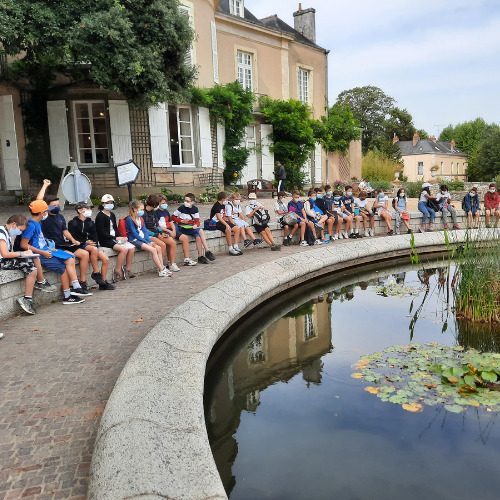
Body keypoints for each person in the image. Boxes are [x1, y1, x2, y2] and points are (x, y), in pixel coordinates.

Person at [20, 200, 91, 304]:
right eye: (46, 211)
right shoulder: (31, 225)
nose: (47, 213)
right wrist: (43, 252)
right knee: (63, 267)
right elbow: (24, 245)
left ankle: (75, 288)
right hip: (41, 254)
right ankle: (68, 295)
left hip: (47, 250)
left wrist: (54, 250)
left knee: (70, 257)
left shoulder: (37, 222)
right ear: (41, 213)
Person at [36, 180, 91, 291]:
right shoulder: (44, 215)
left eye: (58, 204)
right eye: (53, 205)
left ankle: (82, 281)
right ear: (46, 207)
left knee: (84, 254)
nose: (57, 207)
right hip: (52, 246)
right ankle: (70, 286)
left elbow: (65, 231)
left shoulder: (60, 216)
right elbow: (38, 201)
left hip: (62, 243)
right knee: (70, 256)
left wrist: (73, 240)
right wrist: (45, 185)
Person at [67, 203, 115, 290]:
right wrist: (85, 242)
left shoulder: (90, 222)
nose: (90, 210)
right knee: (93, 249)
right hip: (78, 246)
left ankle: (102, 282)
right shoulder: (73, 223)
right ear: (79, 211)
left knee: (105, 259)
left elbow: (95, 236)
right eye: (87, 208)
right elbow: (73, 238)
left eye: (90, 208)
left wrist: (94, 243)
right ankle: (94, 274)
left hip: (91, 247)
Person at [0, 214, 39, 314]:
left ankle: (28, 298)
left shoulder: (5, 232)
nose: (20, 232)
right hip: (1, 262)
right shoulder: (1, 233)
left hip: (3, 261)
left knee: (31, 263)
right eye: (20, 230)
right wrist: (22, 253)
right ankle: (27, 299)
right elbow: (5, 254)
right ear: (13, 224)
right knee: (31, 268)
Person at [95, 194, 136, 281]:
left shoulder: (112, 214)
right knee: (123, 250)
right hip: (105, 240)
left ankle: (127, 268)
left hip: (114, 238)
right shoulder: (100, 216)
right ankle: (117, 270)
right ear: (102, 204)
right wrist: (115, 238)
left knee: (131, 248)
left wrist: (120, 236)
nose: (110, 204)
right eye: (107, 202)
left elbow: (115, 228)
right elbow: (101, 232)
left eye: (111, 202)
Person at [125, 200, 171, 277]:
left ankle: (161, 268)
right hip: (134, 240)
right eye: (141, 210)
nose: (142, 211)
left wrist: (148, 241)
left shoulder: (140, 219)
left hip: (142, 239)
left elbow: (145, 231)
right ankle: (161, 269)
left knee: (158, 248)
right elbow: (134, 233)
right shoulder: (129, 219)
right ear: (135, 209)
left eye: (143, 210)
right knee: (153, 249)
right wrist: (146, 242)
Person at [173, 193, 216, 264]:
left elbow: (197, 221)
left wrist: (196, 225)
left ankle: (200, 256)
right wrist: (181, 221)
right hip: (182, 227)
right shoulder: (181, 208)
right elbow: (173, 217)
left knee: (198, 236)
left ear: (192, 202)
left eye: (188, 201)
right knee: (201, 231)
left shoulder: (195, 209)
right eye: (185, 200)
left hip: (190, 227)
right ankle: (207, 251)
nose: (185, 202)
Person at [143, 195, 180, 271]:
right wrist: (157, 234)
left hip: (157, 233)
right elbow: (144, 229)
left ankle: (172, 264)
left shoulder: (153, 212)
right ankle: (161, 266)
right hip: (149, 234)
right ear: (154, 204)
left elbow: (157, 225)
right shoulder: (143, 213)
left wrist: (161, 232)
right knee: (162, 245)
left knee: (172, 242)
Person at [156, 194, 191, 267]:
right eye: (162, 203)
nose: (165, 204)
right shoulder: (156, 213)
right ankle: (172, 263)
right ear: (158, 203)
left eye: (165, 203)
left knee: (185, 238)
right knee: (171, 242)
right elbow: (158, 226)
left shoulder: (166, 211)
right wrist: (169, 232)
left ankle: (187, 259)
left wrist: (174, 230)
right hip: (164, 231)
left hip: (171, 230)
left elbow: (171, 222)